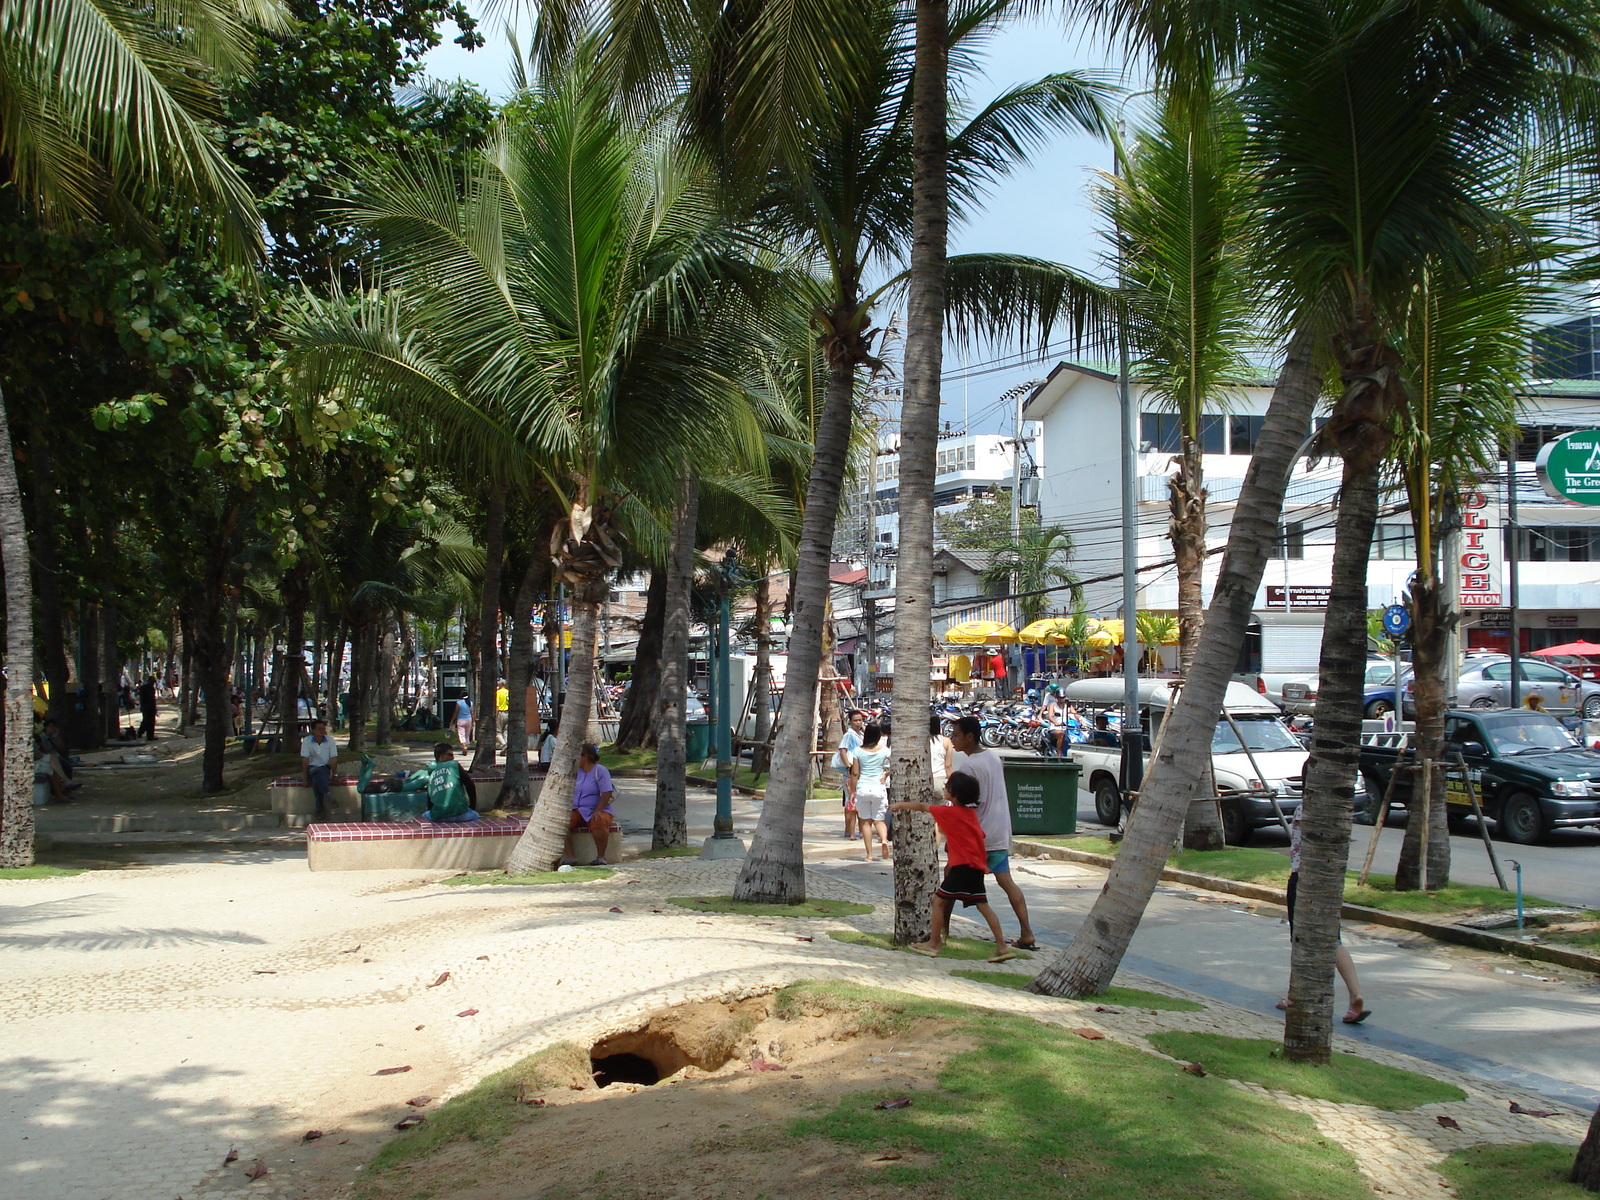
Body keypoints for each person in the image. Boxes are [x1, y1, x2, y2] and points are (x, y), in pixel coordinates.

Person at [891, 772, 1015, 962]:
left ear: (954, 794)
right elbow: (977, 835)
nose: (944, 787)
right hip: (976, 867)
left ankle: (933, 943)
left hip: (961, 867)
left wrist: (900, 805)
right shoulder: (970, 814)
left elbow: (923, 807)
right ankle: (1002, 946)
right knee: (983, 906)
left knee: (938, 901)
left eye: (947, 786)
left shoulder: (948, 812)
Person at [950, 715, 1038, 950]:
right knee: (1007, 882)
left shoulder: (969, 766)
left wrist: (954, 837)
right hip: (999, 833)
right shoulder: (993, 757)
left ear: (970, 737)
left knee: (949, 882)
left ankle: (941, 932)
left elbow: (965, 804)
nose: (952, 740)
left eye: (956, 735)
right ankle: (1026, 932)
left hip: (977, 837)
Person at [1277, 806, 1369, 1024]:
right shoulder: (1338, 808)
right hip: (1329, 878)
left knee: (1300, 938)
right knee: (1332, 938)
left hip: (1304, 878)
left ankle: (1296, 995)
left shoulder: (1306, 808)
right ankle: (1355, 993)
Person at [403, 742, 480, 822]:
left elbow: (430, 801)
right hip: (461, 814)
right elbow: (470, 785)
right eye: (450, 754)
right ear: (441, 756)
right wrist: (472, 807)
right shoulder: (454, 765)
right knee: (476, 816)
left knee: (425, 815)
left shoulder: (432, 774)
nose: (453, 757)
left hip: (438, 817)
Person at [566, 743, 615, 864]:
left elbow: (607, 792)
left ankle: (601, 857)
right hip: (577, 810)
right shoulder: (577, 772)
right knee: (562, 824)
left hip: (597, 809)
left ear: (585, 757)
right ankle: (571, 857)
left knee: (598, 821)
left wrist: (598, 810)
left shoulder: (600, 771)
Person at [851, 724, 892, 863]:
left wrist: (852, 790)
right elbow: (897, 763)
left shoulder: (857, 751)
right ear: (879, 736)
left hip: (863, 787)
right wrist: (886, 774)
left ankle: (869, 854)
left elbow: (855, 772)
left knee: (865, 822)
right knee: (879, 820)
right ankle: (884, 840)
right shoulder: (885, 750)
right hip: (878, 788)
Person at [835, 709, 867, 840]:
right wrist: (848, 765)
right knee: (850, 801)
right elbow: (842, 750)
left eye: (860, 720)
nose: (858, 723)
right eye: (856, 720)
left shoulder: (860, 734)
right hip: (851, 772)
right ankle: (848, 830)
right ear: (851, 722)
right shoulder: (849, 735)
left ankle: (857, 830)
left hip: (860, 771)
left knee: (857, 801)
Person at [300, 719, 339, 819]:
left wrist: (335, 774)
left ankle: (320, 809)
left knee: (318, 776)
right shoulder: (307, 741)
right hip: (312, 768)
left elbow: (333, 758)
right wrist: (305, 777)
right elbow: (305, 760)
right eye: (319, 729)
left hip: (324, 768)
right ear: (313, 731)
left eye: (323, 728)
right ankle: (326, 794)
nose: (322, 731)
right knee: (317, 772)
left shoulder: (330, 740)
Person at [137, 675, 158, 741]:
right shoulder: (143, 688)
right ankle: (140, 732)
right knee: (146, 721)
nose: (153, 683)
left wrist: (155, 708)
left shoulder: (152, 689)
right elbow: (142, 699)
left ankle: (150, 736)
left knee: (152, 722)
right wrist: (142, 707)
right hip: (146, 707)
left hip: (151, 707)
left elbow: (153, 699)